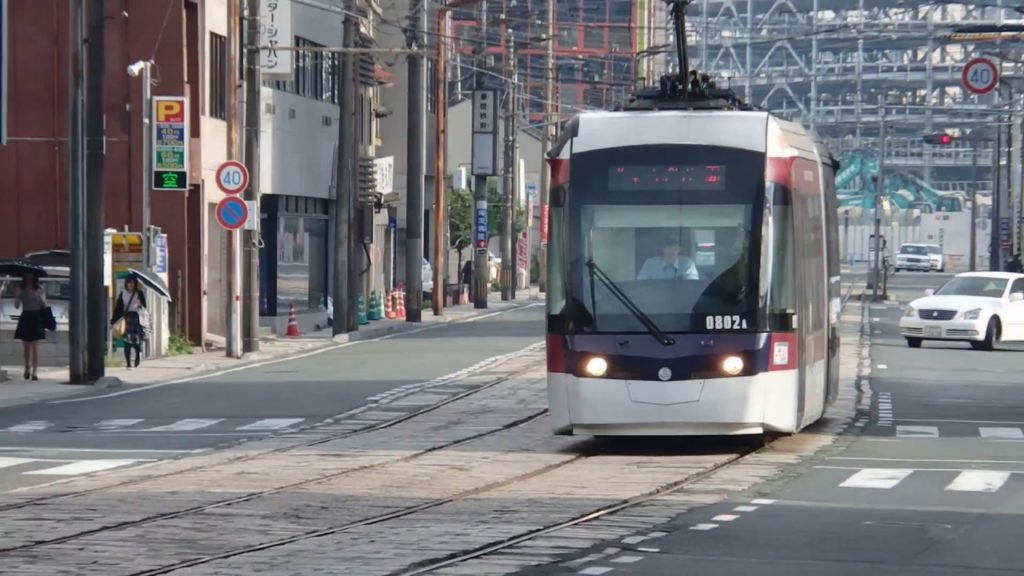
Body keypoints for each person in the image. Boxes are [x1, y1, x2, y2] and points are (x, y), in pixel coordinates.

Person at [13, 272, 48, 380]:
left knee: (35, 346)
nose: (29, 277)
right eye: (27, 275)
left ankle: (35, 371)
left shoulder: (39, 289)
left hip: (36, 316)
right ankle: (27, 367)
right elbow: (17, 306)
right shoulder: (21, 288)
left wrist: (40, 297)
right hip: (26, 315)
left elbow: (45, 305)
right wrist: (18, 297)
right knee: (26, 346)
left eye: (31, 275)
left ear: (34, 277)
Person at [111, 275, 148, 369]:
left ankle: (138, 354)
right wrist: (114, 320)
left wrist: (140, 305)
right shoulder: (122, 293)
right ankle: (128, 363)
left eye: (132, 283)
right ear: (126, 283)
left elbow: (144, 307)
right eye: (129, 282)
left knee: (136, 341)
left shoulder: (139, 293)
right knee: (126, 341)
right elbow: (118, 308)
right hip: (126, 317)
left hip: (136, 318)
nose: (130, 285)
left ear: (135, 284)